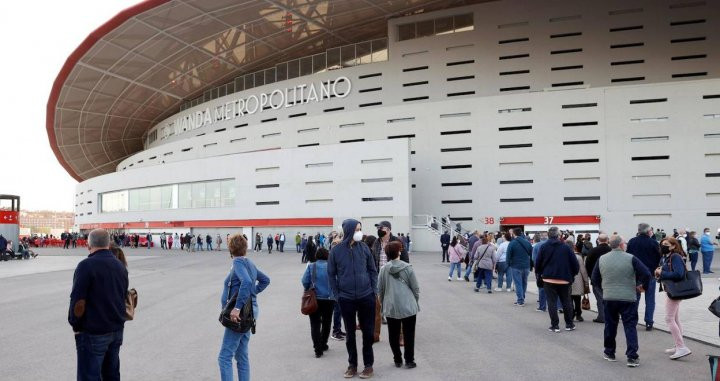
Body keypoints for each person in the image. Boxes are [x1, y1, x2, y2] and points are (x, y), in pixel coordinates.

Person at [68, 229, 129, 380]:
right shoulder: (120, 266)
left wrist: (75, 325)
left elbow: (78, 301)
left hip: (93, 332)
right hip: (116, 330)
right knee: (111, 375)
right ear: (108, 244)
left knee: (89, 376)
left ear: (88, 244)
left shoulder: (86, 266)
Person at [327, 219, 377, 379]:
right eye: (357, 229)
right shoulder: (336, 251)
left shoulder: (364, 248)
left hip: (366, 296)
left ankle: (368, 366)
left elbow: (372, 270)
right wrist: (337, 295)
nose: (360, 233)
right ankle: (352, 365)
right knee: (350, 334)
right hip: (346, 298)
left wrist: (373, 291)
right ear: (349, 231)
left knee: (368, 333)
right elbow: (331, 274)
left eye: (360, 229)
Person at [592, 234, 650, 367]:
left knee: (610, 325)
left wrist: (605, 288)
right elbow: (646, 273)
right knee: (630, 326)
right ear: (621, 245)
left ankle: (609, 352)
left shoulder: (602, 259)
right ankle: (632, 356)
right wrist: (642, 286)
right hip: (628, 297)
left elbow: (594, 278)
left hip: (609, 297)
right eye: (624, 243)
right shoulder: (631, 258)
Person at [218, 234, 271, 381]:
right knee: (241, 355)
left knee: (224, 356)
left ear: (230, 248)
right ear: (245, 248)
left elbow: (246, 282)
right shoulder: (249, 263)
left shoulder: (238, 263)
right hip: (250, 312)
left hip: (240, 314)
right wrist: (253, 294)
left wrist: (237, 308)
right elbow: (265, 280)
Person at [378, 241, 419, 369]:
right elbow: (415, 288)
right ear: (398, 252)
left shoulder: (383, 269)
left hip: (391, 306)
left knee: (393, 334)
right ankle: (409, 360)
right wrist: (414, 301)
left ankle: (397, 359)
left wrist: (383, 304)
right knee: (409, 334)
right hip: (408, 305)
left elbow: (380, 290)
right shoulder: (408, 267)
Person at [535, 227, 579, 332]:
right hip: (564, 279)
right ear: (558, 235)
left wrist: (540, 273)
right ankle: (569, 324)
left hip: (548, 279)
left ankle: (555, 325)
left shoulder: (544, 246)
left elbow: (538, 263)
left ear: (548, 235)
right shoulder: (566, 247)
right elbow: (575, 264)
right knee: (566, 302)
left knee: (551, 302)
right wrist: (572, 274)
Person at [656, 237, 692, 359]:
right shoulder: (665, 257)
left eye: (666, 244)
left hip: (675, 291)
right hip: (670, 289)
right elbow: (664, 272)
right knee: (675, 319)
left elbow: (679, 274)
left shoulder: (675, 257)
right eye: (662, 244)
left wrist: (663, 273)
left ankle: (681, 347)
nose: (663, 246)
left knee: (669, 319)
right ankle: (678, 346)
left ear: (673, 246)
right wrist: (658, 273)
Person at [626, 223, 661, 331]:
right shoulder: (654, 243)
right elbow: (659, 258)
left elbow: (628, 257)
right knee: (650, 299)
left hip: (635, 275)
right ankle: (649, 322)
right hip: (650, 274)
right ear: (648, 231)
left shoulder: (632, 241)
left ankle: (633, 320)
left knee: (635, 299)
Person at [302, 247, 334, 358]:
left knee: (315, 324)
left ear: (316, 255)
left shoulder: (311, 266)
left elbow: (304, 281)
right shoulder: (331, 266)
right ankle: (324, 343)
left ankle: (317, 349)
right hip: (329, 299)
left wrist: (308, 288)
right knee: (327, 322)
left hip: (315, 299)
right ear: (327, 255)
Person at [585, 234, 612, 323]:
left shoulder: (593, 251)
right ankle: (612, 315)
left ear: (598, 240)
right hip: (610, 279)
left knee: (600, 298)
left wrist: (590, 276)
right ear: (607, 240)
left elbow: (587, 265)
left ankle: (602, 316)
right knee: (611, 297)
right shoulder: (611, 250)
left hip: (596, 278)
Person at [506, 228, 532, 306]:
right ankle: (522, 297)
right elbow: (531, 253)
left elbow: (508, 255)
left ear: (514, 234)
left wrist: (508, 264)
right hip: (526, 265)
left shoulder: (512, 243)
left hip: (516, 266)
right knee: (524, 282)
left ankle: (520, 300)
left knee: (518, 283)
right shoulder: (527, 242)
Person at [571, 248, 589, 322]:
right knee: (577, 298)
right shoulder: (578, 257)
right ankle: (578, 314)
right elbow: (583, 270)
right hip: (577, 280)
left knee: (569, 299)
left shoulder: (563, 256)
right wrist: (586, 281)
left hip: (567, 279)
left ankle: (571, 313)